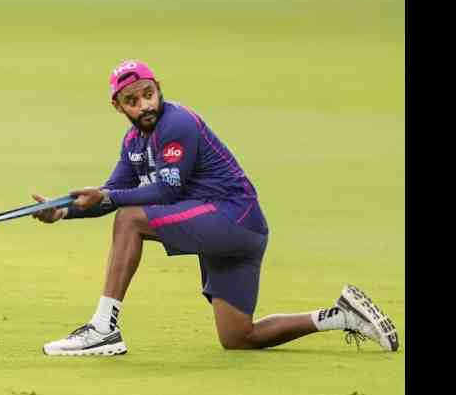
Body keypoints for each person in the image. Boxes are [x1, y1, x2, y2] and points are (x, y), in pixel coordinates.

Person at [32, 60, 398, 356]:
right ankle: (340, 316)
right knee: (238, 336)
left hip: (233, 219)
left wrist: (106, 198)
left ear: (158, 88)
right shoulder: (133, 142)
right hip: (228, 231)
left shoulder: (176, 123)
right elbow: (110, 192)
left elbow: (165, 192)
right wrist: (63, 211)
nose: (144, 105)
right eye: (132, 100)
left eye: (148, 94)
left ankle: (102, 329)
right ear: (118, 106)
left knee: (130, 219)